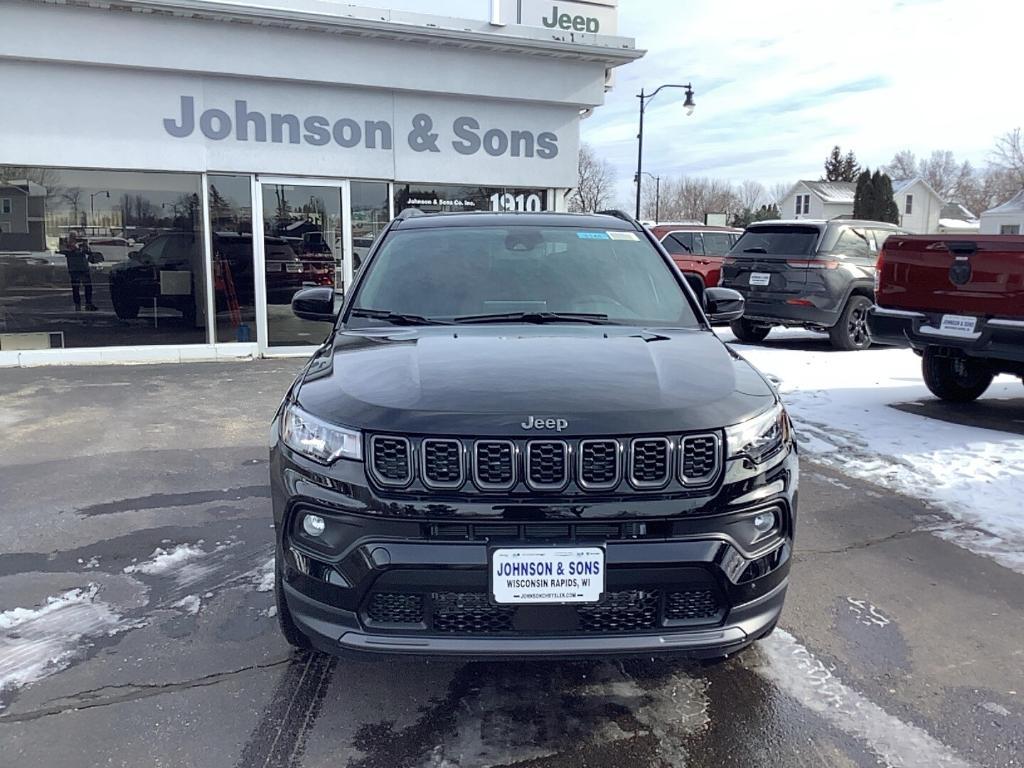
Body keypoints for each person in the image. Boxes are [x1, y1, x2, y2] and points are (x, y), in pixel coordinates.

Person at [59, 231, 99, 311]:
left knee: (87, 286)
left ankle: (88, 303)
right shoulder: (67, 246)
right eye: (73, 237)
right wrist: (73, 248)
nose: (75, 238)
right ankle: (78, 304)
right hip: (75, 269)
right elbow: (63, 251)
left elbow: (88, 252)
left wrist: (85, 247)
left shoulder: (81, 245)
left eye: (76, 237)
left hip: (82, 268)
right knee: (76, 287)